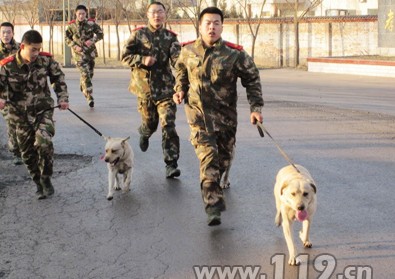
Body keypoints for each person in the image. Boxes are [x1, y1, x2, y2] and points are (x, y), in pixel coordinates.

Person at [173, 7, 264, 226]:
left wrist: (256, 108)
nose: (211, 27)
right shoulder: (187, 51)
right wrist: (180, 89)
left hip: (226, 120)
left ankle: (215, 187)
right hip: (198, 118)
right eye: (207, 23)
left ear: (222, 26)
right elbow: (180, 72)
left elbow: (252, 80)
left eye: (216, 23)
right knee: (208, 160)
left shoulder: (235, 54)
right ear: (200, 26)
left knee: (223, 160)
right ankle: (212, 205)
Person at [0, 30, 69, 200]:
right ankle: (38, 182)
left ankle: (46, 178)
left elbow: (58, 78)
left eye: (39, 49)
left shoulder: (45, 60)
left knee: (43, 142)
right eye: (33, 50)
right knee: (27, 154)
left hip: (43, 111)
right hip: (19, 116)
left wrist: (63, 98)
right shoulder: (7, 65)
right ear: (23, 47)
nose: (36, 53)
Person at [121, 1, 181, 178]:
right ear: (147, 15)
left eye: (160, 12)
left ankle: (171, 164)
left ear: (165, 14)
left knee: (168, 124)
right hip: (144, 89)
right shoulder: (138, 35)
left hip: (165, 90)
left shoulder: (171, 37)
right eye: (153, 12)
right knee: (151, 124)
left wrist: (186, 66)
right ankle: (144, 132)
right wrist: (141, 60)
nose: (157, 15)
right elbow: (124, 57)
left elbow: (177, 59)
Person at [65, 4, 103, 108]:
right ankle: (89, 97)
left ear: (86, 14)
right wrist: (74, 46)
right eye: (79, 14)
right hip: (79, 55)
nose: (81, 16)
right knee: (85, 74)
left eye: (83, 14)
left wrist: (92, 40)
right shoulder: (71, 26)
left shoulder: (91, 24)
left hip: (90, 54)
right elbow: (67, 38)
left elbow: (100, 34)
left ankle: (83, 85)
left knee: (90, 75)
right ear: (76, 14)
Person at [0, 22, 22, 165]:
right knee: (11, 122)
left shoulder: (21, 48)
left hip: (19, 92)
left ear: (13, 33)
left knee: (20, 123)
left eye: (8, 32)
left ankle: (22, 150)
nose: (6, 35)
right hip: (3, 93)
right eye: (3, 32)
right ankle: (16, 152)